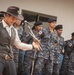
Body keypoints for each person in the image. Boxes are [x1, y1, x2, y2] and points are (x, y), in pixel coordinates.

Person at [0, 6, 40, 75]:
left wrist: (32, 46)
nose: (14, 21)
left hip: (10, 58)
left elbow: (18, 44)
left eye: (15, 19)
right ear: (7, 15)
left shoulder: (14, 30)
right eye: (13, 18)